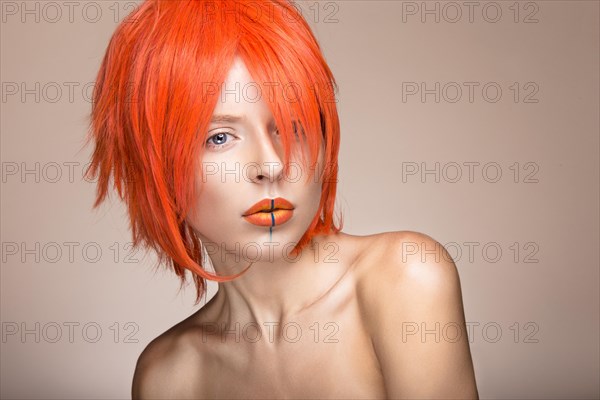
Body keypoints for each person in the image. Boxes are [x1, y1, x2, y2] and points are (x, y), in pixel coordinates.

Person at [84, 0, 479, 398]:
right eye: (219, 137)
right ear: (154, 165)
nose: (271, 165)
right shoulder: (170, 376)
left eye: (292, 125)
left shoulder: (404, 278)